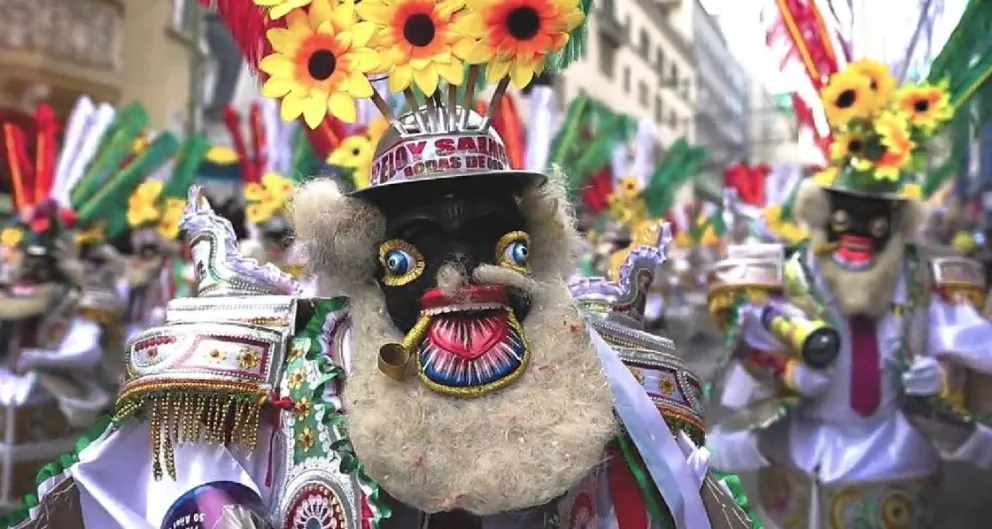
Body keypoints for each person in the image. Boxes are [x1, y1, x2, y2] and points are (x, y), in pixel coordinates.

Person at [706, 60, 992, 528]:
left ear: (898, 225)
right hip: (801, 454)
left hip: (895, 460)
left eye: (878, 223)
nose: (859, 235)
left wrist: (939, 377)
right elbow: (747, 359)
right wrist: (792, 374)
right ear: (822, 215)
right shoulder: (788, 278)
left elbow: (973, 350)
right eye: (843, 219)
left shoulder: (923, 281)